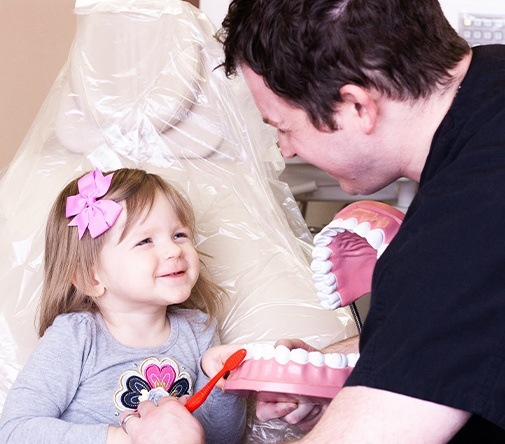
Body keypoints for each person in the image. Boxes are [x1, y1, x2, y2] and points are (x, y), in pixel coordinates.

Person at [214, 0, 505, 442]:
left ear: (355, 106)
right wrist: (324, 370)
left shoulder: (468, 219)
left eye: (283, 127)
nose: (286, 149)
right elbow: (460, 325)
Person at [0, 168, 246, 444]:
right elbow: (15, 430)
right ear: (91, 278)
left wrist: (223, 386)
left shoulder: (199, 332)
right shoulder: (75, 338)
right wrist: (124, 439)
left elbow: (223, 439)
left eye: (179, 235)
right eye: (145, 241)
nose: (174, 250)